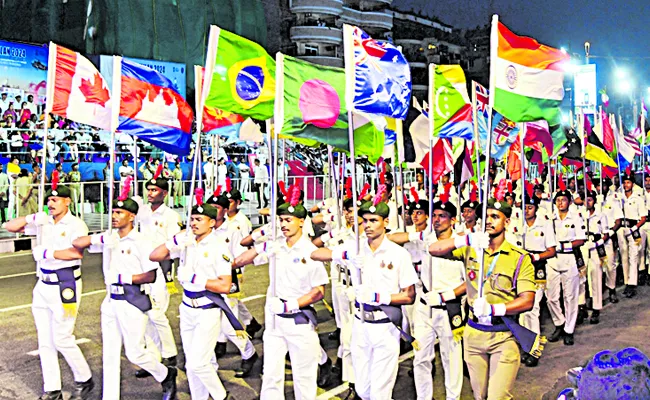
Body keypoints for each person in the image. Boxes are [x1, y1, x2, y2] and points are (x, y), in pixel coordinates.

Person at [71, 184, 178, 400]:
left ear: (132, 217)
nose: (114, 216)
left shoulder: (141, 240)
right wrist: (99, 239)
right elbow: (76, 243)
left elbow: (150, 275)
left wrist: (122, 278)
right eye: (113, 212)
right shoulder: (110, 238)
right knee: (109, 353)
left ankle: (166, 374)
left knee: (135, 352)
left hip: (132, 299)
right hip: (111, 300)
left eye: (119, 213)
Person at [428, 195, 536, 400]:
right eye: (484, 217)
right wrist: (466, 239)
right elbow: (434, 249)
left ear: (507, 222)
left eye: (495, 216)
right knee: (480, 396)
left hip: (503, 334)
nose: (488, 220)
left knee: (497, 397)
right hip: (474, 334)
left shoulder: (519, 257)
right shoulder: (471, 248)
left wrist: (494, 309)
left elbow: (527, 300)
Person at [311, 193, 418, 400]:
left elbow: (409, 295)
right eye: (365, 221)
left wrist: (379, 297)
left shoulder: (398, 254)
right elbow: (315, 254)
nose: (367, 225)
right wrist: (344, 255)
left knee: (380, 392)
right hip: (360, 324)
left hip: (385, 325)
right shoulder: (355, 248)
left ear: (386, 222)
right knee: (362, 388)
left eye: (373, 221)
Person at [4, 173, 94, 400]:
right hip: (42, 284)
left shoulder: (76, 224)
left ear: (67, 202)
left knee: (63, 337)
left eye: (56, 200)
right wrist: (32, 217)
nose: (51, 204)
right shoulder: (44, 222)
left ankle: (84, 379)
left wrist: (47, 253)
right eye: (48, 200)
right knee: (45, 340)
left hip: (66, 284)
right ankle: (52, 389)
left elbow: (76, 253)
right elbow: (9, 227)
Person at [235, 185, 329, 400]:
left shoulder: (309, 251)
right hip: (275, 321)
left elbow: (318, 292)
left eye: (289, 220)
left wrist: (290, 305)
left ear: (301, 222)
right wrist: (261, 246)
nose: (284, 224)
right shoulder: (276, 246)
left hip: (298, 320)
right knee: (270, 375)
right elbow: (239, 260)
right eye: (281, 220)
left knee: (304, 377)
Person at [150, 195, 234, 400]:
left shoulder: (218, 247)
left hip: (208, 308)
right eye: (192, 219)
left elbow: (225, 285)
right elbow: (155, 256)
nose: (194, 223)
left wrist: (197, 279)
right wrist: (174, 242)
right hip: (187, 308)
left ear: (212, 223)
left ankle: (221, 396)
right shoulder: (187, 242)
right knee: (190, 364)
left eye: (199, 219)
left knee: (200, 363)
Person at [389, 193, 466, 400]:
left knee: (451, 357)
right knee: (421, 357)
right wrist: (416, 235)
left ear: (453, 220)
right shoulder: (426, 238)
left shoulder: (461, 243)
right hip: (424, 307)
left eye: (442, 216)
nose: (437, 220)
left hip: (449, 307)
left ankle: (453, 397)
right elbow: (391, 239)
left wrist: (447, 295)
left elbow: (471, 282)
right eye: (435, 215)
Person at [206, 189, 259, 378]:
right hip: (206, 283)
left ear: (225, 209)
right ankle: (208, 362)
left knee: (229, 323)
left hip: (227, 279)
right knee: (208, 322)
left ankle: (249, 353)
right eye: (210, 207)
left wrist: (233, 278)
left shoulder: (233, 228)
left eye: (217, 207)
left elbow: (238, 257)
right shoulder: (204, 228)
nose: (212, 210)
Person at [134, 165, 180, 374]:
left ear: (164, 193)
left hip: (160, 267)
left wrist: (166, 265)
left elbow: (174, 245)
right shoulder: (141, 210)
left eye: (155, 190)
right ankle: (153, 358)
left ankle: (169, 354)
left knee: (157, 312)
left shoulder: (170, 215)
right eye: (149, 189)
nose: (150, 193)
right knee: (145, 313)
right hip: (142, 265)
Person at [507, 185, 556, 367]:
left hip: (537, 268)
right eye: (524, 207)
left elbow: (551, 250)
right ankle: (525, 344)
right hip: (519, 269)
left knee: (533, 308)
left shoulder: (544, 225)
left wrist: (536, 256)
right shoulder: (516, 226)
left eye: (530, 207)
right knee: (520, 311)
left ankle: (534, 349)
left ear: (536, 208)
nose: (527, 210)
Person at [547, 182, 586, 346]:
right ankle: (559, 323)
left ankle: (569, 329)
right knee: (551, 297)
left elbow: (582, 238)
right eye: (558, 200)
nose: (560, 203)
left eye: (564, 200)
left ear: (569, 202)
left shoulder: (576, 217)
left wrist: (566, 245)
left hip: (569, 257)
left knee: (570, 296)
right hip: (552, 259)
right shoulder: (550, 218)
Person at [578, 188, 608, 326]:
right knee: (580, 277)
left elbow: (605, 233)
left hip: (595, 246)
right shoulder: (579, 214)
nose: (587, 202)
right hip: (583, 246)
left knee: (596, 277)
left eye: (590, 200)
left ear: (594, 201)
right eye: (585, 200)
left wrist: (599, 243)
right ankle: (581, 306)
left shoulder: (601, 215)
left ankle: (596, 308)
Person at [616, 169, 647, 298]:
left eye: (628, 182)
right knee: (624, 256)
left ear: (632, 184)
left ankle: (632, 284)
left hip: (634, 229)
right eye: (625, 182)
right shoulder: (619, 197)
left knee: (633, 256)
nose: (626, 185)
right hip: (622, 228)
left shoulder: (638, 198)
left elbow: (643, 217)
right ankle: (627, 280)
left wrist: (635, 228)